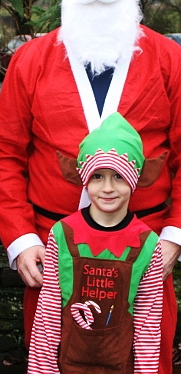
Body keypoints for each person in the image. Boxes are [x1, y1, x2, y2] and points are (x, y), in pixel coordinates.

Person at [0, 0, 181, 373]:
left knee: (144, 356)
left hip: (143, 250)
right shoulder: (32, 59)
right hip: (57, 251)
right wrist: (20, 239)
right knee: (53, 357)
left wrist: (174, 234)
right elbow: (5, 155)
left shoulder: (169, 58)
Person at [27, 113, 164, 374]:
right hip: (68, 364)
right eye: (98, 176)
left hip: (120, 364)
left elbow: (148, 321)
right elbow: (48, 312)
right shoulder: (63, 234)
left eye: (119, 176)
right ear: (85, 180)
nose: (108, 188)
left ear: (134, 179)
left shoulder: (147, 244)